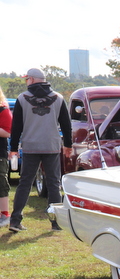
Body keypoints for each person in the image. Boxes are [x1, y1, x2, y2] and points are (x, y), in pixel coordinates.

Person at [8, 68, 73, 232]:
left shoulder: (22, 98)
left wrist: (14, 148)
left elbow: (16, 127)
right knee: (53, 184)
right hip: (51, 146)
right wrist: (68, 145)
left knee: (25, 183)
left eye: (26, 79)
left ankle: (15, 221)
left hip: (30, 146)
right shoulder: (58, 98)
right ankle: (55, 222)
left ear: (31, 79)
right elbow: (66, 124)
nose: (26, 82)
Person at [0, 86, 12, 227]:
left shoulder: (3, 109)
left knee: (1, 185)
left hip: (0, 154)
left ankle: (5, 214)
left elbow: (7, 132)